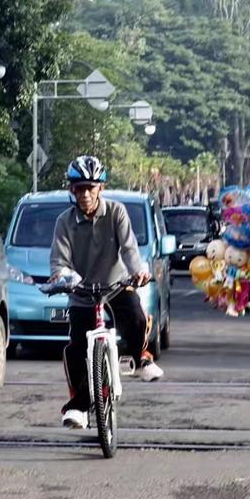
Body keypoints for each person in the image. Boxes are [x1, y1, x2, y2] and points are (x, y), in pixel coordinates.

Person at [50, 155, 163, 430]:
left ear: (101, 187)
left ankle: (140, 358)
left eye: (90, 187)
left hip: (115, 286)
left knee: (136, 316)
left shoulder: (116, 212)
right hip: (82, 291)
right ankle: (78, 406)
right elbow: (59, 261)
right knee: (76, 349)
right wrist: (61, 276)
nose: (85, 194)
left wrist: (138, 271)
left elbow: (129, 249)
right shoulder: (64, 222)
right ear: (72, 190)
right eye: (79, 188)